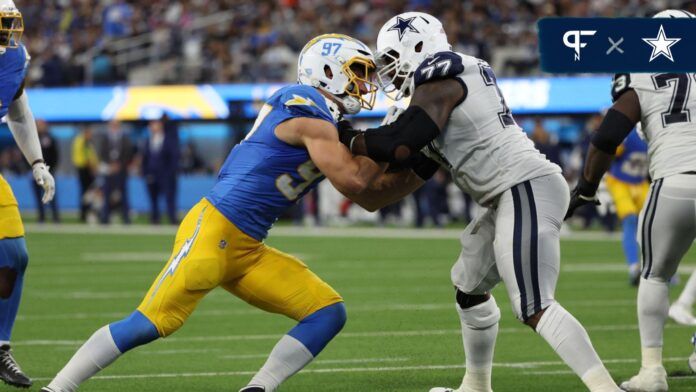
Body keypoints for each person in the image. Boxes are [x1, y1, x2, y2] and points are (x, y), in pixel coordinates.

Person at [41, 34, 387, 392]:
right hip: (216, 229)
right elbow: (354, 180)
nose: (364, 82)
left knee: (327, 312)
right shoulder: (305, 103)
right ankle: (58, 388)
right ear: (327, 71)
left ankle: (257, 389)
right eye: (357, 72)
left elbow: (369, 190)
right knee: (150, 322)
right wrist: (394, 140)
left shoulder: (325, 121)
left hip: (248, 248)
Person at [340, 12, 620, 392]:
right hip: (509, 196)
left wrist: (343, 135)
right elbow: (394, 181)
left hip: (524, 185)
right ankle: (476, 386)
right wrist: (348, 175)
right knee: (469, 289)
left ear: (419, 46)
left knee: (535, 304)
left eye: (391, 59)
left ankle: (605, 388)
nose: (389, 73)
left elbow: (399, 143)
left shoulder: (444, 72)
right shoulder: (434, 102)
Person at [565, 9, 696, 392]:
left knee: (655, 274)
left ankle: (652, 371)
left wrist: (587, 187)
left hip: (673, 180)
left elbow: (607, 136)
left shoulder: (639, 71)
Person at [0, 0, 55, 387]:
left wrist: (37, 161)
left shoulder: (14, 57)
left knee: (13, 253)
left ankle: (0, 347)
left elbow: (18, 111)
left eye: (10, 24)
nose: (8, 34)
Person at [604, 128, 649, 286]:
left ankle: (659, 267)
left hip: (641, 182)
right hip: (620, 182)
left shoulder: (655, 130)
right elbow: (611, 151)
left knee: (654, 222)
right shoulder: (628, 132)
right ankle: (634, 267)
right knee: (630, 220)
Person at [141, 119, 179, 224]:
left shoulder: (169, 139)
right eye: (151, 125)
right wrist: (145, 173)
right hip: (152, 175)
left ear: (160, 125)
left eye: (155, 124)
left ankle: (172, 218)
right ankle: (154, 219)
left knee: (169, 198)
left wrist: (171, 173)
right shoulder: (147, 140)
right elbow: (145, 158)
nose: (152, 127)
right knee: (153, 198)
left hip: (166, 175)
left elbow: (174, 157)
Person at [98, 120, 134, 224]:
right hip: (109, 171)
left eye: (115, 125)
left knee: (124, 194)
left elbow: (128, 153)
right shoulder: (105, 139)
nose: (114, 127)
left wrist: (119, 165)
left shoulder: (125, 139)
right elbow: (102, 153)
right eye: (112, 125)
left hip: (121, 171)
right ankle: (105, 217)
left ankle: (126, 217)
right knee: (107, 194)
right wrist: (110, 165)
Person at [31, 119, 59, 223]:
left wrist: (51, 169)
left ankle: (55, 217)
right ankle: (41, 217)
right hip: (35, 171)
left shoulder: (50, 138)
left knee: (51, 193)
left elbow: (55, 155)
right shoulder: (32, 138)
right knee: (38, 196)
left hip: (48, 170)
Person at [71, 127, 98, 222]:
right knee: (86, 193)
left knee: (87, 193)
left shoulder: (83, 141)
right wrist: (92, 167)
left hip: (85, 170)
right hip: (84, 170)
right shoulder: (82, 142)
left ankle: (86, 213)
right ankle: (84, 214)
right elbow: (86, 157)